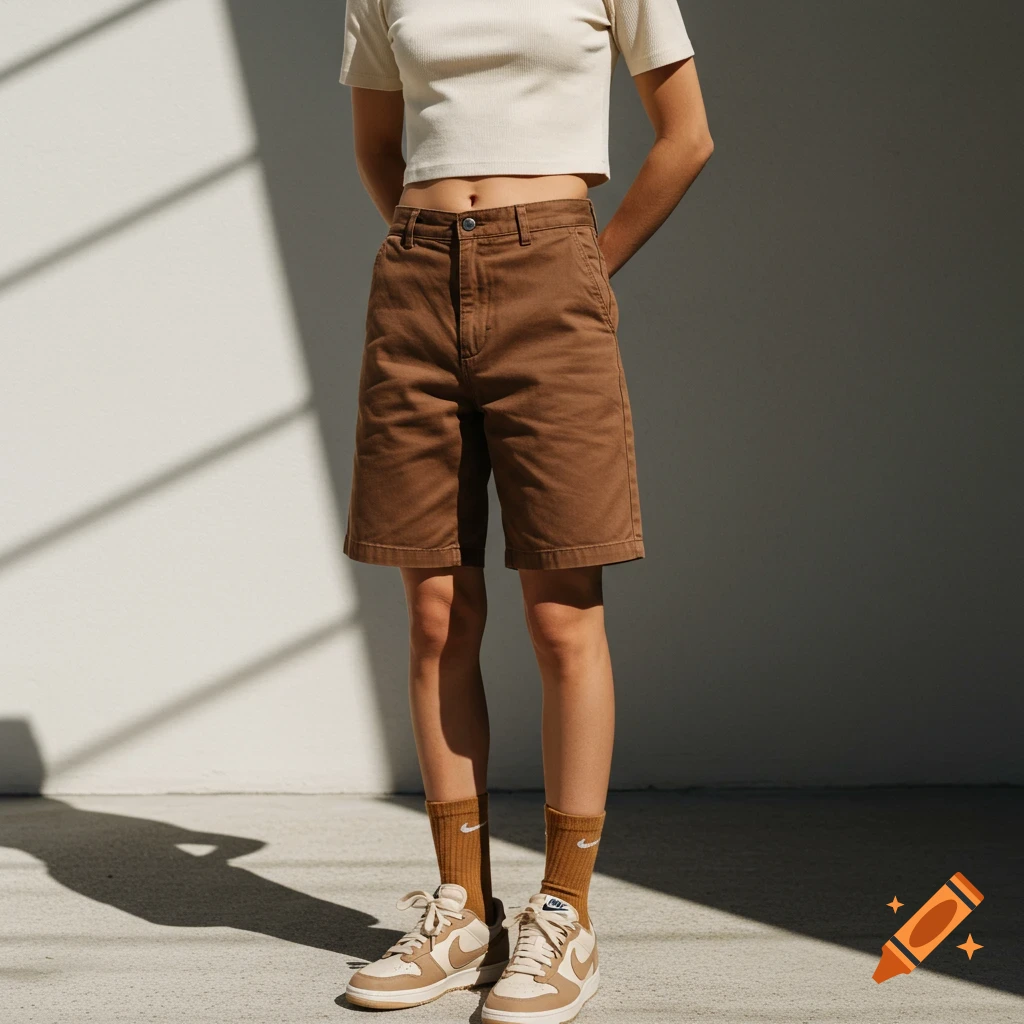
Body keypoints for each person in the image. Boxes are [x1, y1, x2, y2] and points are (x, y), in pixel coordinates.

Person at [337, 1, 712, 1020]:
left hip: (553, 264)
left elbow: (688, 135)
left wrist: (587, 261)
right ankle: (463, 907)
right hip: (415, 274)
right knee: (433, 612)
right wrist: (441, 259)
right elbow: (379, 140)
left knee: (561, 611)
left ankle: (567, 912)